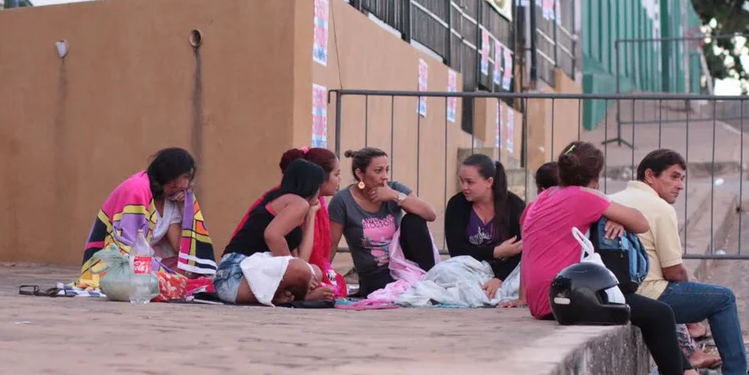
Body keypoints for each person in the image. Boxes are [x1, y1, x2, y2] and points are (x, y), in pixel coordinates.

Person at [518, 141, 747, 375]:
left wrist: (607, 214)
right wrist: (615, 216)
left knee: (649, 313)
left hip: (539, 299)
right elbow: (640, 222)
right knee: (659, 315)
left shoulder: (540, 200)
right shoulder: (585, 197)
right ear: (597, 175)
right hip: (567, 299)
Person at [610, 149, 749, 375]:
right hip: (650, 293)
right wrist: (692, 291)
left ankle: (693, 359)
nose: (680, 186)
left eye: (682, 180)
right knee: (723, 298)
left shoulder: (611, 198)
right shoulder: (659, 208)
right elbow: (673, 270)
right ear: (649, 175)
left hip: (616, 292)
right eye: (674, 177)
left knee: (698, 293)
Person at [77, 148, 217, 295]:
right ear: (171, 178)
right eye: (186, 177)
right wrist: (156, 265)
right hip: (120, 261)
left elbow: (179, 248)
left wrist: (185, 208)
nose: (188, 183)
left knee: (191, 270)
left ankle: (164, 280)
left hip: (149, 262)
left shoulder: (172, 200)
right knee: (167, 281)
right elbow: (127, 246)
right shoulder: (136, 189)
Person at [215, 159, 336, 304]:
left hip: (240, 281)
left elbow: (301, 259)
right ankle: (303, 298)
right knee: (303, 270)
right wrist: (301, 271)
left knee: (314, 271)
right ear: (311, 186)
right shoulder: (297, 203)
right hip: (234, 277)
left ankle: (282, 297)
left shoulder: (292, 205)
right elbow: (272, 235)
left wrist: (311, 216)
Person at [328, 147, 438, 297]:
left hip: (404, 265)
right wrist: (324, 275)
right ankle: (420, 285)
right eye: (378, 171)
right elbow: (332, 244)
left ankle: (432, 279)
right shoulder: (343, 201)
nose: (385, 176)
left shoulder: (394, 189)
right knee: (399, 291)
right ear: (360, 173)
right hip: (375, 272)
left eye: (387, 170)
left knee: (414, 220)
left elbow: (430, 214)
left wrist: (395, 196)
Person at [445, 154, 525, 300]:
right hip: (471, 268)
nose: (464, 187)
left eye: (470, 182)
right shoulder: (456, 205)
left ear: (489, 182)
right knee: (444, 271)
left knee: (525, 278)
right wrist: (496, 251)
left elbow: (520, 250)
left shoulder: (514, 205)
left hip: (508, 271)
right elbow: (457, 251)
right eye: (461, 181)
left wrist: (499, 278)